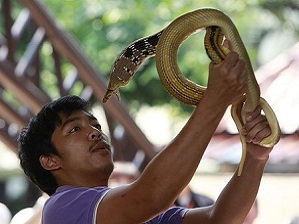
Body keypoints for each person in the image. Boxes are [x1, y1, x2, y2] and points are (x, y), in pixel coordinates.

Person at [18, 48, 275, 223]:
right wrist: (215, 102)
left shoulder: (130, 211)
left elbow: (219, 219)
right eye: (75, 129)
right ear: (50, 160)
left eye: (94, 125)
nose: (95, 132)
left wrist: (254, 157)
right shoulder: (62, 207)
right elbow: (151, 195)